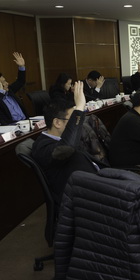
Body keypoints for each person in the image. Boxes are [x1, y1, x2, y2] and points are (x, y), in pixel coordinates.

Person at [31, 81, 99, 209]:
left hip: (95, 183)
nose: (76, 124)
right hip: (83, 199)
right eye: (72, 119)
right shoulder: (42, 146)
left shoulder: (62, 138)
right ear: (57, 123)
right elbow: (66, 148)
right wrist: (79, 108)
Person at [0, 52, 29, 125]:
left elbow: (20, 81)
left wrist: (21, 67)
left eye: (5, 81)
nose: (7, 83)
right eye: (3, 82)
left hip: (26, 121)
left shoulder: (9, 90)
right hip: (13, 126)